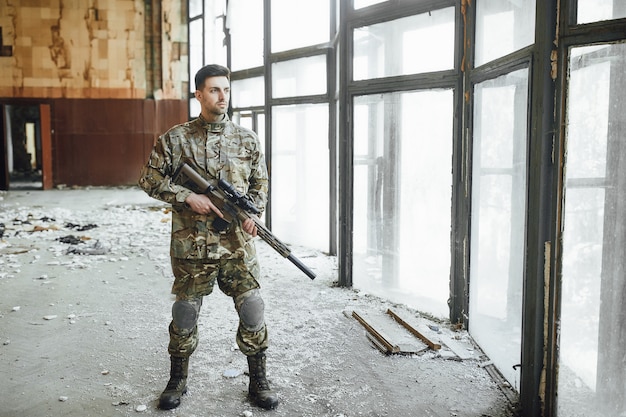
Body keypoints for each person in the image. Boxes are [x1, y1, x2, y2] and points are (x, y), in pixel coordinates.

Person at [138, 64, 278, 411]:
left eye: (226, 90)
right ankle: (177, 379)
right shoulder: (175, 138)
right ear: (199, 94)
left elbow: (260, 184)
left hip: (237, 248)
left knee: (252, 309)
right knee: (185, 313)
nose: (222, 96)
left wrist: (253, 214)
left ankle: (258, 379)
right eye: (214, 90)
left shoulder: (247, 139)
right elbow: (148, 179)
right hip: (192, 245)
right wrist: (187, 196)